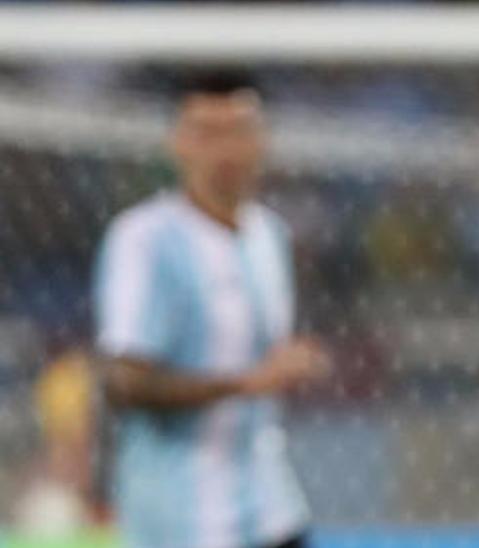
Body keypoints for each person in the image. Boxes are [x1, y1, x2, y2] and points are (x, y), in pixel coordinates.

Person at [93, 70, 327, 548]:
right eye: (207, 133)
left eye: (239, 131)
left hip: (271, 503)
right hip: (183, 516)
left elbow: (270, 356)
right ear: (178, 143)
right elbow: (123, 381)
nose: (225, 151)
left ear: (262, 141)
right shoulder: (144, 239)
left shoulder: (270, 235)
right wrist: (245, 382)